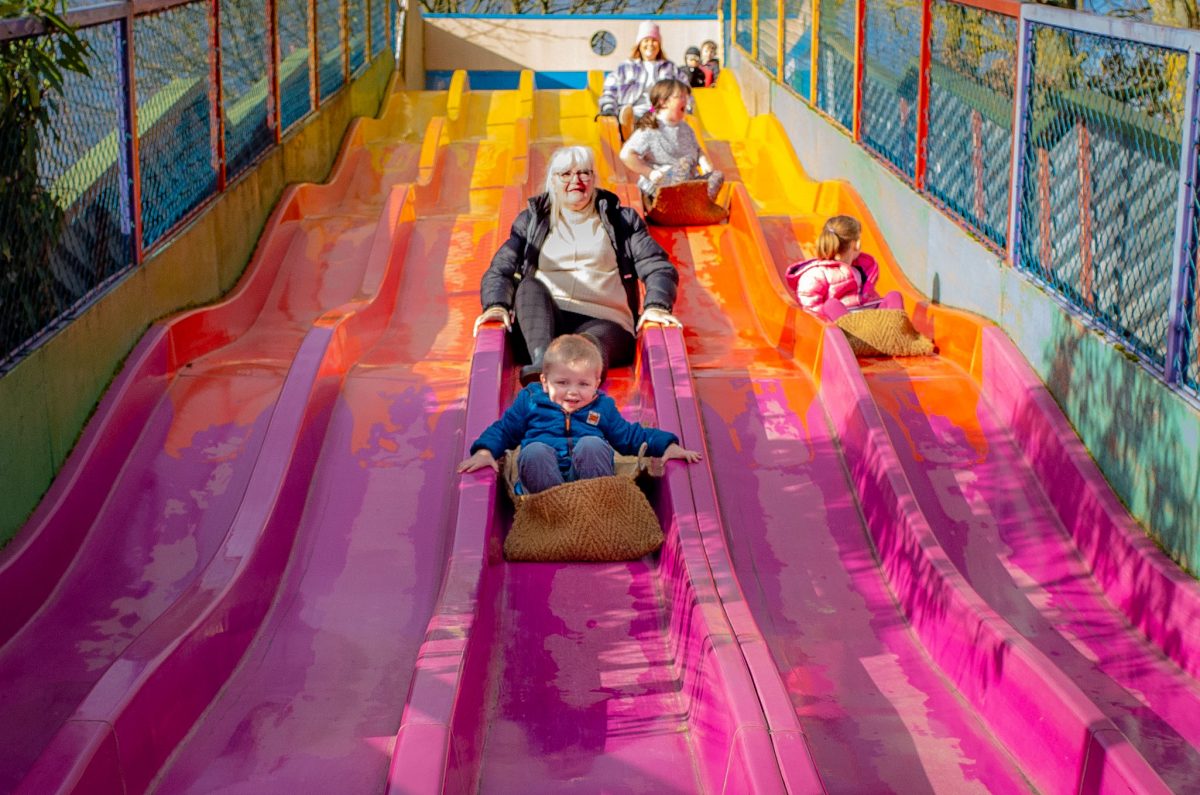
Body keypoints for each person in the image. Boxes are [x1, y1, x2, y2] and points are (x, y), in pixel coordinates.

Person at [472, 145, 682, 385]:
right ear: (553, 180)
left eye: (584, 173)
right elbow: (502, 268)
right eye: (566, 174)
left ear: (593, 179)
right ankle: (542, 361)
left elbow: (655, 264)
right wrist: (495, 305)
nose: (576, 180)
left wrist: (657, 305)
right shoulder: (533, 220)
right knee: (529, 285)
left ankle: (574, 367)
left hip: (605, 320)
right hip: (543, 324)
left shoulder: (619, 220)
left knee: (586, 346)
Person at [457, 334, 702, 492]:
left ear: (597, 383)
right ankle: (554, 509)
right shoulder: (531, 401)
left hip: (589, 483)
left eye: (583, 385)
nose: (572, 393)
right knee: (534, 451)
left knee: (592, 445)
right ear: (544, 381)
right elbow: (505, 430)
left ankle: (593, 503)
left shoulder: (601, 407)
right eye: (562, 383)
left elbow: (630, 436)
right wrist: (485, 451)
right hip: (544, 488)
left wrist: (668, 446)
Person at [619, 79, 724, 203]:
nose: (686, 100)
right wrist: (650, 172)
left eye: (686, 96)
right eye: (680, 97)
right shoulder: (650, 129)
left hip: (686, 187)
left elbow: (697, 149)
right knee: (685, 162)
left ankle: (699, 205)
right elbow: (626, 154)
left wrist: (703, 160)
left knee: (717, 176)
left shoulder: (686, 128)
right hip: (659, 191)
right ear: (663, 102)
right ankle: (674, 205)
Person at [785, 215, 904, 321]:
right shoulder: (815, 274)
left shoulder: (861, 269)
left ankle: (897, 334)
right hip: (843, 330)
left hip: (868, 322)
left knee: (894, 296)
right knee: (832, 306)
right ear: (855, 244)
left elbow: (869, 298)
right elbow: (811, 311)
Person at [599, 20, 688, 140]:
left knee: (659, 117)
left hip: (657, 109)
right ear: (639, 44)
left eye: (654, 41)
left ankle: (640, 133)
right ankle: (628, 128)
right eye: (646, 40)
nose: (650, 44)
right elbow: (610, 88)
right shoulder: (626, 67)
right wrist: (609, 108)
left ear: (659, 45)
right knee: (632, 114)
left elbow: (685, 89)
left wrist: (685, 109)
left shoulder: (669, 67)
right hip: (633, 109)